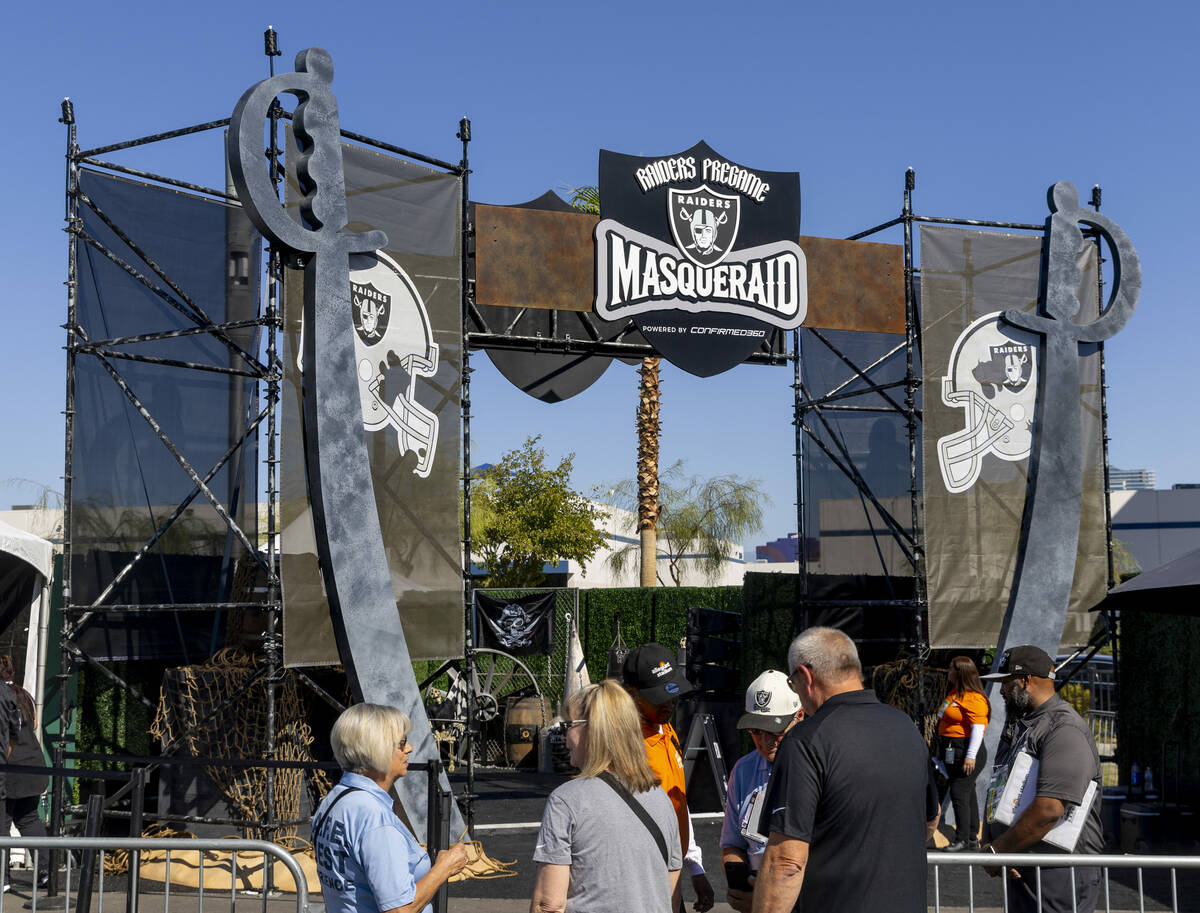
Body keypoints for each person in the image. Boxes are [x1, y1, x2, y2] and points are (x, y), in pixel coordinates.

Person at [752, 627, 935, 913]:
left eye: (793, 683)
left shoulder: (805, 741)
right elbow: (930, 820)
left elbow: (786, 863)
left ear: (806, 676)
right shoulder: (907, 729)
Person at [531, 679, 682, 913]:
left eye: (568, 725)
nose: (563, 736)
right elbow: (669, 897)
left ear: (593, 729)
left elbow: (548, 905)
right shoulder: (662, 800)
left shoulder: (566, 801)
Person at [980, 645, 1104, 913]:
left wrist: (998, 850)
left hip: (1059, 872)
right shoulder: (1025, 723)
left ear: (1025, 680)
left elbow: (1049, 810)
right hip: (1026, 862)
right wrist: (1000, 844)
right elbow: (1001, 787)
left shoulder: (1063, 728)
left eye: (1005, 681)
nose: (1001, 690)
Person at [313, 703, 467, 913]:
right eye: (401, 743)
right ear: (376, 749)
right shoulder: (375, 819)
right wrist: (444, 867)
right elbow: (399, 910)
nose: (409, 749)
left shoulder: (334, 799)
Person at [622, 643, 715, 913]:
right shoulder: (626, 747)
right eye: (659, 697)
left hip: (668, 878)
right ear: (632, 694)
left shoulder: (664, 727)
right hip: (642, 888)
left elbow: (677, 801)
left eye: (673, 695)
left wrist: (694, 865)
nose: (670, 704)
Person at [720, 671, 803, 913]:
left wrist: (766, 899)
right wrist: (741, 882)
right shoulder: (743, 770)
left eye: (775, 731)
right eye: (756, 731)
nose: (765, 741)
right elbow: (731, 844)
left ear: (799, 716)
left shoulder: (819, 768)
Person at [0, 656, 48, 889]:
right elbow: (35, 724)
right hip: (33, 765)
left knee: (2, 823)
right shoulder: (23, 694)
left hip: (10, 769)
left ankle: (3, 878)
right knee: (29, 819)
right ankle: (47, 870)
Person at [937, 655, 990, 851]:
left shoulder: (973, 698)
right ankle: (971, 836)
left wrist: (970, 756)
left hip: (965, 749)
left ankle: (962, 839)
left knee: (959, 792)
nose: (948, 672)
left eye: (952, 669)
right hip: (953, 748)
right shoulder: (955, 694)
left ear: (961, 673)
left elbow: (978, 729)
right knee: (967, 793)